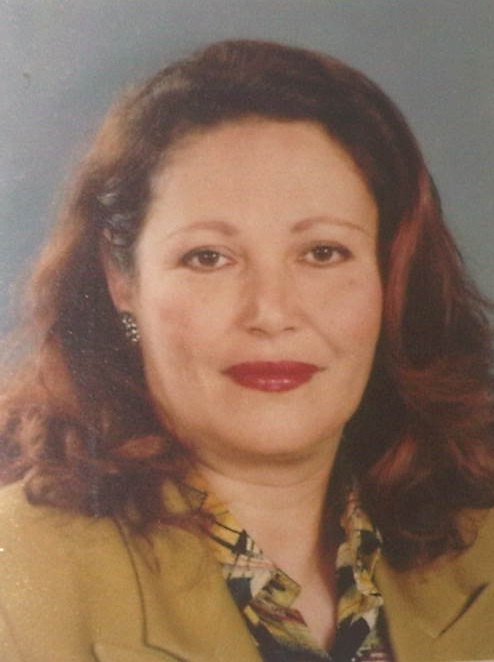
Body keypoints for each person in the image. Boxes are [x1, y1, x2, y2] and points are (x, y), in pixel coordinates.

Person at [0, 39, 493, 662]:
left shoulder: (481, 551)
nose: (272, 313)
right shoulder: (18, 581)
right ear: (122, 281)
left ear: (390, 276)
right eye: (209, 257)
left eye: (322, 252)